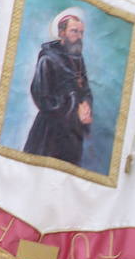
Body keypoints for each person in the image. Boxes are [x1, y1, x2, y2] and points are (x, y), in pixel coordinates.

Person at [23, 11, 93, 166]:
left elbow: (85, 88)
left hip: (73, 134)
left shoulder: (78, 58)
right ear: (62, 33)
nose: (79, 36)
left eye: (81, 32)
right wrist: (75, 108)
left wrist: (86, 105)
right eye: (74, 31)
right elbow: (42, 98)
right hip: (50, 133)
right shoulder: (48, 59)